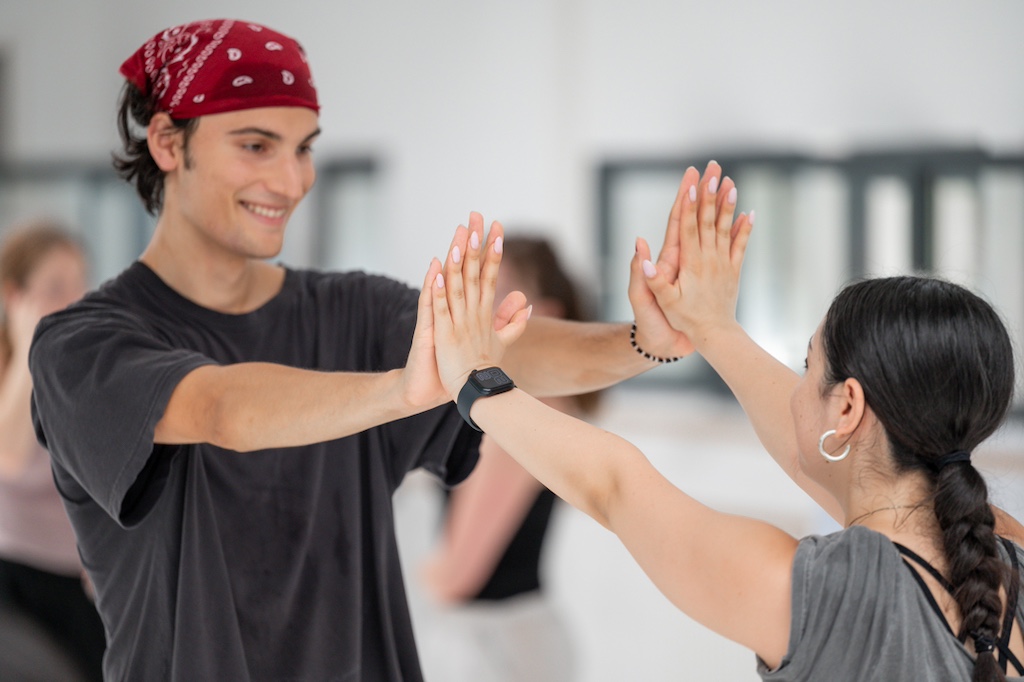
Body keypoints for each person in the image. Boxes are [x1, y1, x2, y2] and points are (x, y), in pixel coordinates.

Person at [27, 19, 689, 681]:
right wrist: (399, 389)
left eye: (304, 148)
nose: (291, 181)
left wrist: (640, 342)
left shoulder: (354, 312)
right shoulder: (81, 347)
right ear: (169, 142)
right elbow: (216, 408)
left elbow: (509, 348)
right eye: (256, 145)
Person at [426, 162, 1024, 681]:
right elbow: (832, 462)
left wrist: (470, 375)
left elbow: (614, 485)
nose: (792, 394)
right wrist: (712, 328)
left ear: (846, 407)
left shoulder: (814, 591)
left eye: (804, 367)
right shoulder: (1008, 556)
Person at [418, 236, 599, 682]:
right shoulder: (539, 407)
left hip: (494, 652)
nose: (480, 313)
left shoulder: (522, 418)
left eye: (498, 297)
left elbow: (457, 576)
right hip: (515, 640)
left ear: (549, 316)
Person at [0, 222, 103, 682]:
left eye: (80, 284)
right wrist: (28, 350)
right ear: (13, 296)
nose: (74, 300)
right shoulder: (13, 373)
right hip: (13, 584)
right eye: (56, 287)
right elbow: (9, 456)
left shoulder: (81, 379)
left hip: (74, 587)